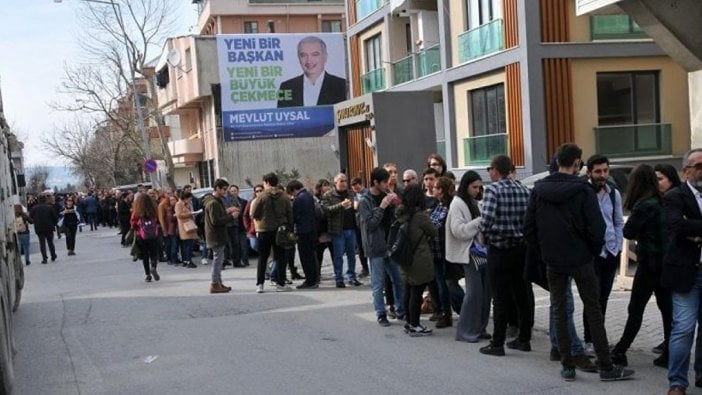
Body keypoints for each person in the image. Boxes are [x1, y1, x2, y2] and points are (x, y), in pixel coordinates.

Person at [524, 143, 634, 382]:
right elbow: (598, 228)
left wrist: (544, 252)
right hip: (581, 258)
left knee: (560, 312)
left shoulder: (538, 189)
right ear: (576, 163)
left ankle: (567, 366)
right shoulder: (583, 189)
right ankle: (606, 367)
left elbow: (529, 228)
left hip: (553, 260)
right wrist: (592, 252)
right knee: (593, 311)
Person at [610, 164, 671, 368]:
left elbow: (628, 231)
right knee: (666, 309)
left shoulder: (644, 205)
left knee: (635, 308)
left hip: (648, 264)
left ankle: (620, 350)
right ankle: (670, 352)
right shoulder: (663, 201)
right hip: (665, 263)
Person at [478, 155, 534, 357]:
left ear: (495, 170)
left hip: (499, 250)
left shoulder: (492, 190)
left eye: (489, 169)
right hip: (520, 249)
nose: (488, 173)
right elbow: (529, 219)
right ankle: (524, 338)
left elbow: (486, 220)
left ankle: (497, 343)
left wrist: (484, 236)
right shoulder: (523, 190)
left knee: (500, 298)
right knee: (522, 295)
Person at [663, 149, 702, 395]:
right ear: (686, 170)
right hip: (687, 272)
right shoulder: (675, 196)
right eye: (699, 166)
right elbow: (677, 225)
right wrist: (688, 229)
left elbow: (688, 226)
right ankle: (677, 382)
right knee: (684, 328)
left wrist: (695, 231)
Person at [582, 154, 624, 353]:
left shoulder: (614, 193)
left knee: (603, 298)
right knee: (591, 299)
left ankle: (599, 338)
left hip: (610, 252)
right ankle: (589, 340)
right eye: (598, 171)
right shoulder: (583, 193)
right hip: (591, 254)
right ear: (589, 172)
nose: (602, 175)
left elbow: (617, 222)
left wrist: (617, 247)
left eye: (605, 171)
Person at [357, 167, 404, 327]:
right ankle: (381, 313)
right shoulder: (365, 201)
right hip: (375, 247)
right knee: (378, 283)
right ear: (375, 182)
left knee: (398, 280)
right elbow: (370, 224)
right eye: (384, 182)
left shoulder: (386, 195)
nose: (386, 185)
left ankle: (400, 310)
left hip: (390, 245)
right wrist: (382, 207)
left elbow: (398, 216)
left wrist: (395, 203)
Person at [449, 171, 489, 343]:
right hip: (468, 252)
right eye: (474, 187)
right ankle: (466, 331)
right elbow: (458, 231)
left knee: (485, 292)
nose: (477, 190)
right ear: (466, 186)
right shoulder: (457, 203)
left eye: (479, 187)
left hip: (479, 251)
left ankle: (479, 328)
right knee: (474, 292)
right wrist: (479, 221)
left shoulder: (474, 201)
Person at [397, 184, 437, 336]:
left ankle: (409, 322)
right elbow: (432, 231)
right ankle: (415, 324)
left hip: (405, 256)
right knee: (417, 291)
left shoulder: (401, 213)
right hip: (419, 257)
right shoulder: (420, 215)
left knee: (408, 289)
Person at [251, 173, 294, 293]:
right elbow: (290, 214)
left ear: (267, 182)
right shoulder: (284, 196)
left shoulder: (262, 196)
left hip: (264, 230)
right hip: (281, 229)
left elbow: (254, 213)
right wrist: (289, 227)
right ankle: (280, 283)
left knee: (263, 258)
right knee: (280, 257)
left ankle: (260, 284)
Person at [277, 36, 346, 108]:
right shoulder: (286, 86)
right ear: (298, 58)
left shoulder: (341, 85)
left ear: (325, 57)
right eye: (303, 55)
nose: (309, 61)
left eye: (315, 54)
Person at [321, 173, 362, 288]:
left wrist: (356, 207)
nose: (344, 183)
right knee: (338, 255)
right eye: (341, 181)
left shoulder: (350, 193)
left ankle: (352, 276)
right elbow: (326, 210)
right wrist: (341, 205)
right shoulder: (328, 195)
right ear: (335, 183)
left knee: (352, 255)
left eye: (345, 181)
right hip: (337, 230)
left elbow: (355, 207)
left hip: (351, 228)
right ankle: (339, 278)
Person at [202, 179, 239, 293]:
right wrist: (231, 217)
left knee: (220, 259)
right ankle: (214, 284)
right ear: (217, 188)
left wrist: (227, 211)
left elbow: (218, 215)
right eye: (223, 189)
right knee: (218, 260)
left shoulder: (216, 201)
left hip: (217, 235)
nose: (225, 192)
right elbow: (216, 221)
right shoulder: (213, 202)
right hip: (215, 236)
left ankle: (219, 283)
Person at [428, 176, 455, 328]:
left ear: (443, 191)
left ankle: (451, 312)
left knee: (448, 284)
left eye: (437, 188)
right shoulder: (436, 205)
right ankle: (446, 312)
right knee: (440, 283)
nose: (433, 189)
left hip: (446, 252)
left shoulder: (449, 206)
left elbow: (438, 226)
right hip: (435, 252)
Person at [287, 180, 318, 289]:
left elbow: (294, 216)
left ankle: (309, 280)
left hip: (302, 231)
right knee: (311, 256)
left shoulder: (299, 199)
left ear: (294, 189)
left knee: (305, 257)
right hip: (311, 229)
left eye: (291, 193)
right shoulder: (309, 195)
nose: (292, 195)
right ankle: (314, 279)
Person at [130, 193, 161, 283]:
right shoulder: (154, 209)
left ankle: (148, 275)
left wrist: (137, 229)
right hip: (153, 234)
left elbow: (133, 223)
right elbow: (158, 221)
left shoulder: (137, 211)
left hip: (141, 235)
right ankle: (153, 267)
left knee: (145, 255)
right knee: (154, 253)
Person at [30, 194, 58, 264]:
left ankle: (44, 258)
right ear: (45, 200)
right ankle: (53, 255)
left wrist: (35, 221)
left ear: (38, 200)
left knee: (42, 243)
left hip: (39, 228)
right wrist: (54, 224)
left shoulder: (34, 208)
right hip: (49, 227)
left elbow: (31, 218)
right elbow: (55, 217)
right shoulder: (50, 208)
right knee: (50, 242)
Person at [313, 179, 333, 278]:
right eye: (325, 185)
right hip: (320, 230)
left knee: (334, 253)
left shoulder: (331, 197)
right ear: (320, 187)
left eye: (328, 185)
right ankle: (317, 273)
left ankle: (338, 273)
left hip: (330, 229)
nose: (327, 187)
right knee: (318, 253)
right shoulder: (315, 199)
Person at [176, 192, 199, 268]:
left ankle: (186, 260)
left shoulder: (186, 204)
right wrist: (190, 214)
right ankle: (188, 261)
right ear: (185, 198)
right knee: (187, 245)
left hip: (189, 225)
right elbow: (179, 215)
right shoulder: (179, 204)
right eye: (189, 198)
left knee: (188, 245)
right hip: (185, 227)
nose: (190, 200)